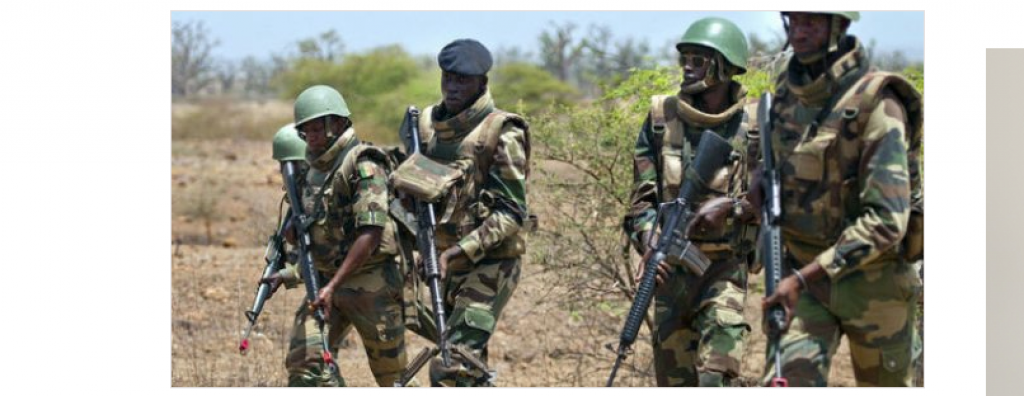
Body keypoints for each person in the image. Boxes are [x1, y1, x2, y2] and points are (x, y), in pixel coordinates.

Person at [755, 11, 924, 387]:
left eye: (811, 22)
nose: (798, 32)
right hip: (803, 280)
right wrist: (759, 182)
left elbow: (886, 221)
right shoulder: (785, 92)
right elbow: (776, 159)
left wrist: (801, 277)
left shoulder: (879, 103)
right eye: (793, 21)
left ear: (840, 26)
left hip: (873, 284)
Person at [621, 17, 759, 387]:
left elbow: (776, 198)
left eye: (698, 60)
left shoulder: (755, 125)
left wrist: (733, 208)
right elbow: (641, 198)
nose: (687, 67)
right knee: (673, 381)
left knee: (716, 377)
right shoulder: (661, 119)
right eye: (685, 59)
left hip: (724, 270)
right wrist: (651, 241)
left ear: (725, 67)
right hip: (670, 275)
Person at [396, 38, 530, 387]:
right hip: (441, 259)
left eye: (463, 80)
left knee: (452, 366)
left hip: (490, 262)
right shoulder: (424, 126)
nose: (452, 87)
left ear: (482, 84)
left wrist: (456, 253)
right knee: (468, 364)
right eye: (448, 78)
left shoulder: (501, 131)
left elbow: (512, 213)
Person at [271, 85, 410, 386]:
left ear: (337, 123)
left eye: (318, 127)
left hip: (370, 285)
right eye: (305, 130)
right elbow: (315, 232)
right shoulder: (311, 168)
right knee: (305, 366)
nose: (313, 136)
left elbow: (371, 235)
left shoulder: (363, 162)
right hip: (324, 285)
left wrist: (333, 285)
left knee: (394, 380)